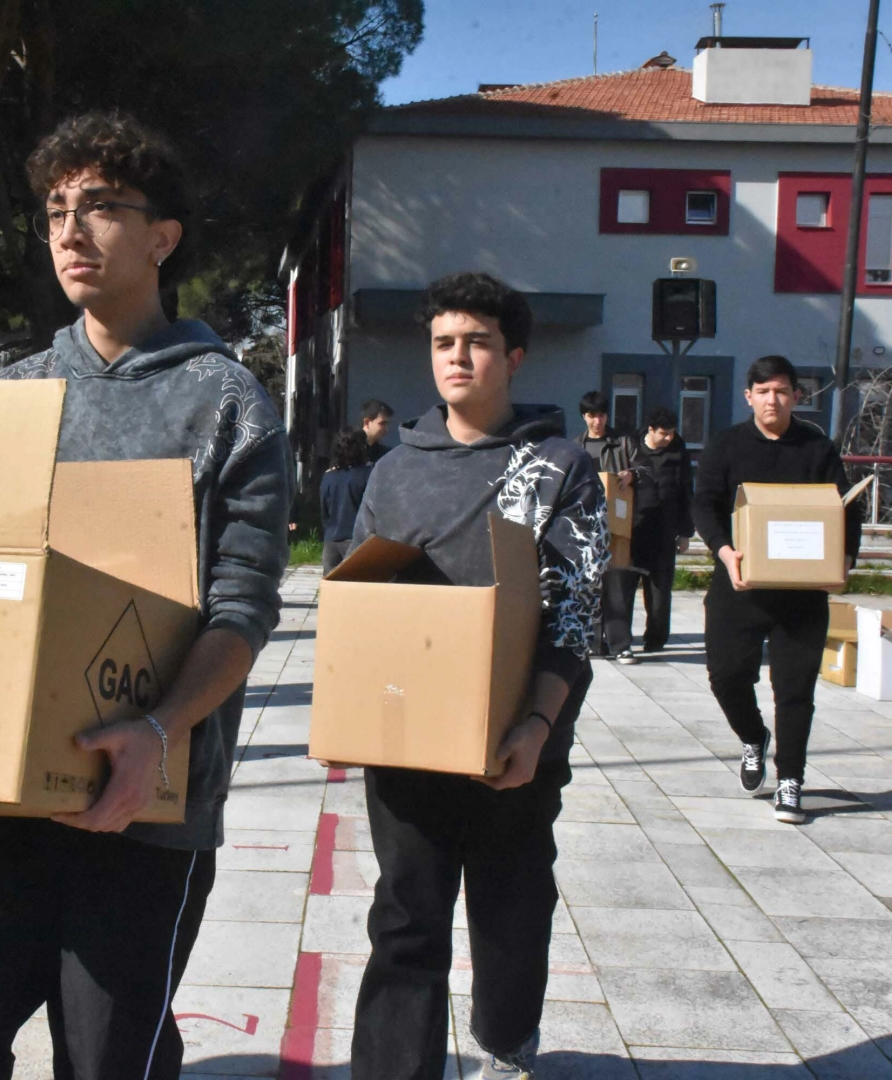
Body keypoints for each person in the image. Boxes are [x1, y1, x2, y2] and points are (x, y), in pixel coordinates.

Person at [0, 111, 291, 1080]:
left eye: (99, 207)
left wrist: (159, 729)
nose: (69, 231)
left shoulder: (228, 404)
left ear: (163, 237)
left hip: (147, 804)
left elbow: (241, 609)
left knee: (107, 1061)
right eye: (55, 210)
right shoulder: (11, 395)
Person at [347, 272, 606, 1080]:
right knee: (405, 916)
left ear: (515, 356)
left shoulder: (559, 467)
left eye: (477, 342)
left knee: (512, 908)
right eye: (443, 343)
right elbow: (359, 599)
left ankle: (506, 1044)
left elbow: (575, 612)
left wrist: (536, 725)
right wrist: (353, 714)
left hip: (516, 739)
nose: (457, 357)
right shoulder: (394, 471)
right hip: (410, 739)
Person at [692, 355, 860, 825]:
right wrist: (725, 551)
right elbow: (704, 504)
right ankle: (753, 737)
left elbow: (846, 509)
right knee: (726, 677)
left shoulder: (817, 448)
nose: (773, 400)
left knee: (794, 689)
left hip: (801, 594)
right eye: (764, 392)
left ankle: (791, 780)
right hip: (739, 585)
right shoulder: (726, 445)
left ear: (797, 397)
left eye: (782, 391)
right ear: (749, 396)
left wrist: (845, 559)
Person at [604, 406, 694, 657]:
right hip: (632, 529)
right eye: (664, 433)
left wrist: (685, 532)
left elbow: (686, 492)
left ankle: (656, 639)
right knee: (622, 590)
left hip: (664, 530)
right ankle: (621, 642)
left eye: (672, 433)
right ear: (651, 430)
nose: (668, 438)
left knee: (659, 592)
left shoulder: (679, 452)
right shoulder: (630, 448)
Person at [579, 390, 637, 660]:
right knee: (589, 585)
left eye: (601, 415)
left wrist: (632, 474)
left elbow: (646, 469)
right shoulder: (575, 447)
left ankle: (620, 645)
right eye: (592, 415)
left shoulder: (622, 443)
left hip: (616, 525)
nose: (597, 421)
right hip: (586, 527)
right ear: (584, 416)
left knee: (616, 588)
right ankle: (592, 643)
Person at [320, 428, 372, 574]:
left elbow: (324, 510)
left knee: (331, 582)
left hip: (331, 539)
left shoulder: (329, 477)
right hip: (357, 539)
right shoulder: (368, 474)